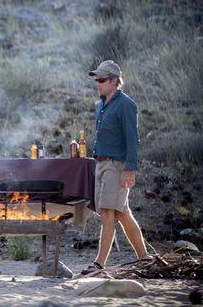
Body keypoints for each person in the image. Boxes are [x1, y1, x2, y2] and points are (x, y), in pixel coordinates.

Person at [81, 60, 151, 274]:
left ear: (114, 80)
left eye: (101, 80)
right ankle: (145, 258)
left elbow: (133, 138)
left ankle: (99, 264)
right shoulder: (102, 104)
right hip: (101, 164)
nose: (97, 83)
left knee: (108, 212)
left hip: (117, 164)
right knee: (122, 213)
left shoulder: (126, 104)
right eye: (96, 80)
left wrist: (130, 168)